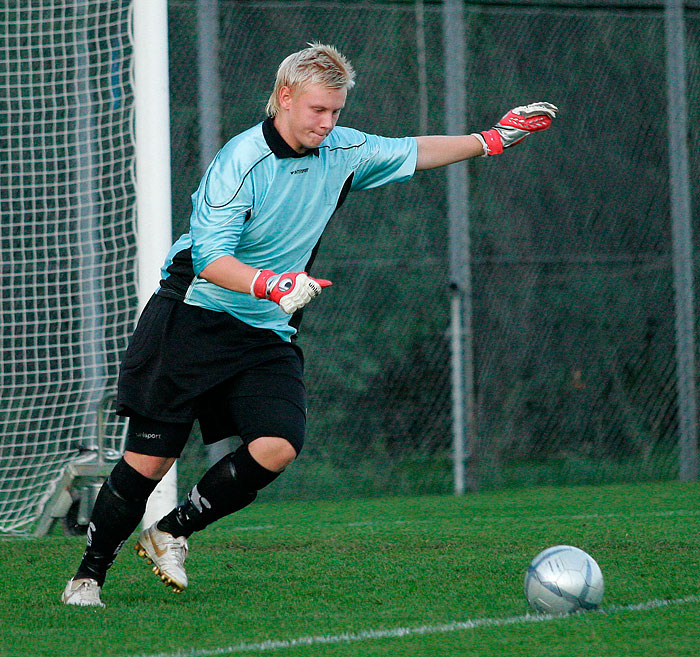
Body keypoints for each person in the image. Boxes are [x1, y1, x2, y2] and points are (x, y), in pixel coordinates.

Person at [61, 42, 557, 607]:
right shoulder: (239, 162)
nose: (328, 122)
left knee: (277, 446)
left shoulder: (342, 151)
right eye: (318, 109)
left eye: (337, 112)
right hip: (190, 319)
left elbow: (413, 150)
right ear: (285, 97)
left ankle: (172, 531)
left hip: (264, 330)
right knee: (149, 461)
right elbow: (209, 261)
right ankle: (88, 575)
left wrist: (491, 140)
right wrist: (273, 284)